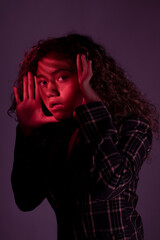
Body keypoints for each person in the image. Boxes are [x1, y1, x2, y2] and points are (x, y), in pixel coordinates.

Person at [8, 33, 159, 240]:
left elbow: (110, 185)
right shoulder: (55, 135)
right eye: (43, 82)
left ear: (87, 77)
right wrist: (27, 132)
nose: (51, 91)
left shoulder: (131, 127)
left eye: (62, 77)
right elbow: (26, 199)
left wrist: (93, 106)